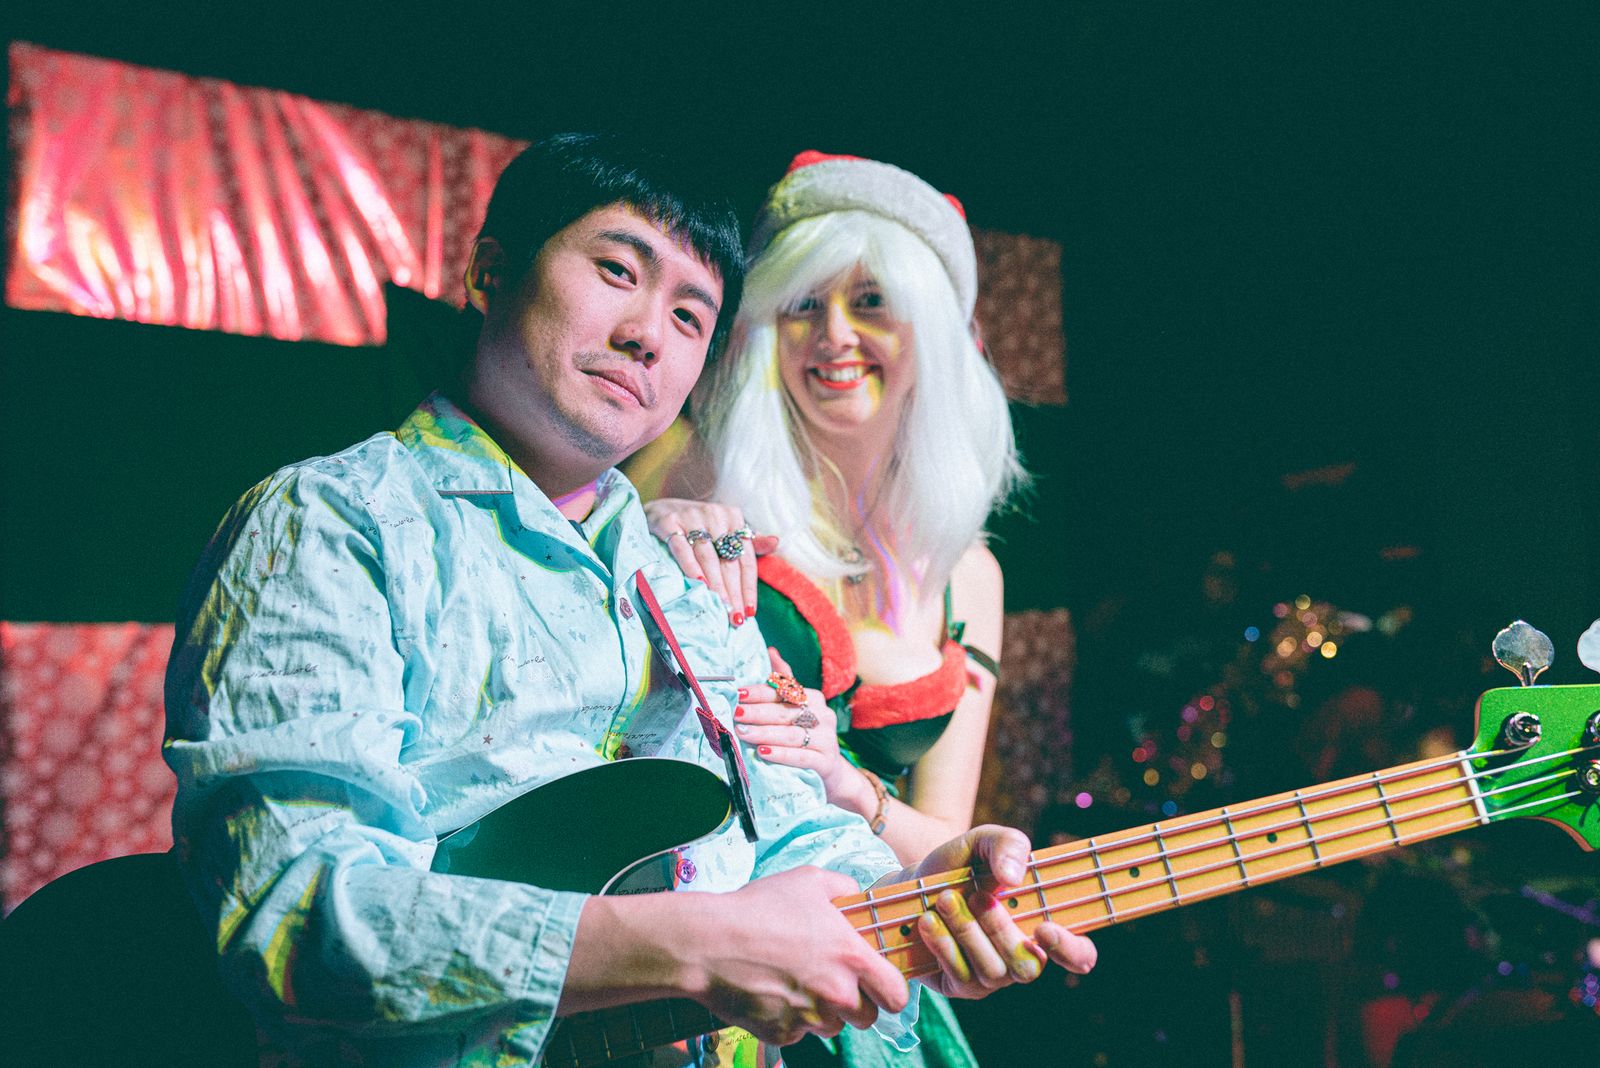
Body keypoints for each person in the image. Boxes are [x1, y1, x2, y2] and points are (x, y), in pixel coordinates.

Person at [163, 134, 1095, 1067]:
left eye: (691, 317)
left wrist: (920, 908)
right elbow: (293, 912)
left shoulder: (689, 582)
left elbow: (787, 835)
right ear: (490, 269)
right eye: (617, 270)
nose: (648, 332)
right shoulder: (331, 521)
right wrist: (698, 943)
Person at [637, 151, 1027, 1066]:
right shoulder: (688, 473)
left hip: (874, 996)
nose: (834, 336)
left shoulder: (971, 575)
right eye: (805, 304)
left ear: (934, 334)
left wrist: (852, 791)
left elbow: (946, 839)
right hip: (703, 981)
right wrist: (637, 532)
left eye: (871, 302)